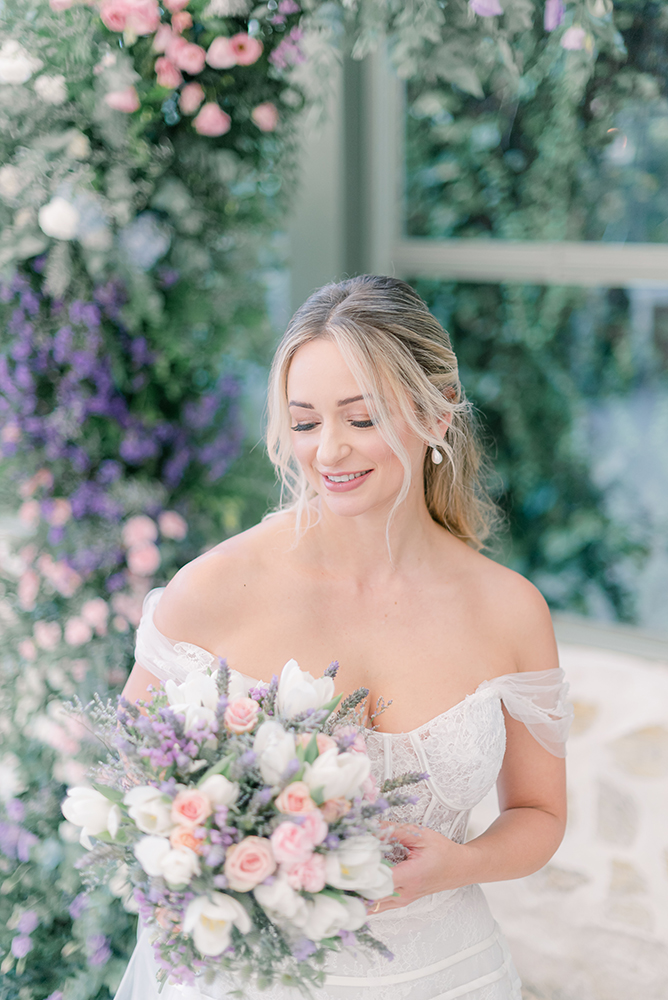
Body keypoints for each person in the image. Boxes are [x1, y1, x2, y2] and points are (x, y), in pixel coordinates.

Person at [115, 275, 573, 1000]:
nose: (329, 450)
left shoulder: (510, 611)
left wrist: (457, 863)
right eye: (304, 423)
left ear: (436, 413)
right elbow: (127, 786)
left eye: (360, 419)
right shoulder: (212, 590)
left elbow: (540, 815)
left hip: (446, 976)